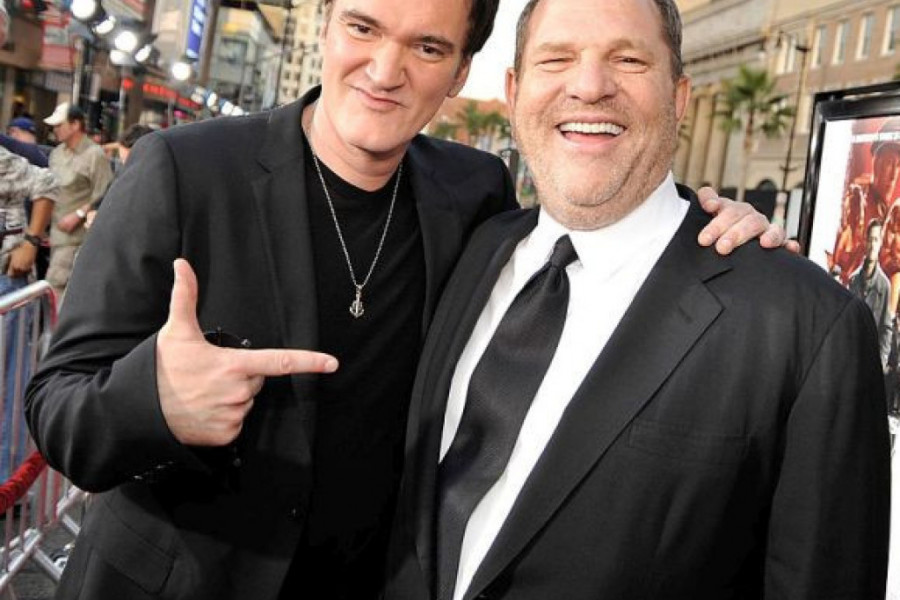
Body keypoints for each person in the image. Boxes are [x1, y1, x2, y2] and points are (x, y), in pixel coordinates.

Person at [25, 0, 781, 598]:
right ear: (327, 24)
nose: (385, 70)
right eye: (363, 27)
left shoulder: (474, 192)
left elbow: (593, 217)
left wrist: (702, 221)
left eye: (427, 47)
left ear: (459, 73)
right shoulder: (185, 170)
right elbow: (58, 408)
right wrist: (156, 403)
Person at [383, 0, 890, 599]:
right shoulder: (471, 246)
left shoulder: (805, 326)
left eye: (627, 60)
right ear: (515, 92)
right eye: (557, 59)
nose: (589, 86)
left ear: (679, 97)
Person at [0, 145, 56, 483]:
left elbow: (46, 182)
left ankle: (8, 481)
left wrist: (31, 242)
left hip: (7, 283)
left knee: (8, 383)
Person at [42, 102, 113, 300]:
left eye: (59, 125)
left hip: (76, 240)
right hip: (55, 236)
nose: (55, 130)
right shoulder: (56, 154)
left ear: (75, 125)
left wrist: (80, 213)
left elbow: (105, 193)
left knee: (56, 292)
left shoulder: (95, 155)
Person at [850, 219, 892, 368]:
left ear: (880, 244)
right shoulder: (853, 280)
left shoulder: (884, 286)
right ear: (865, 242)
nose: (873, 245)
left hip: (869, 363)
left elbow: (886, 329)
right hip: (850, 358)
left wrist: (880, 364)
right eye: (870, 240)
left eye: (876, 240)